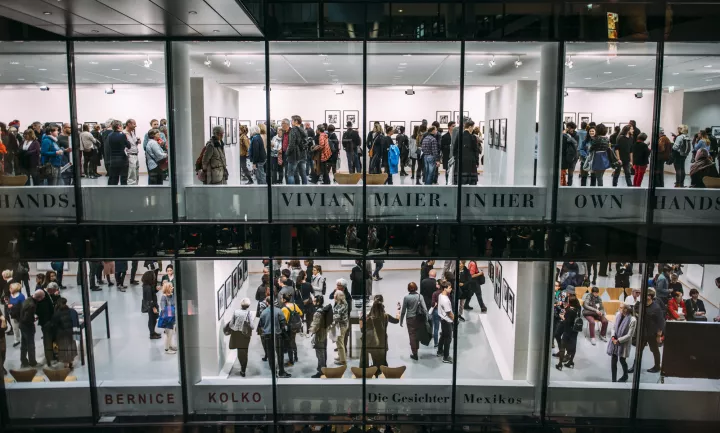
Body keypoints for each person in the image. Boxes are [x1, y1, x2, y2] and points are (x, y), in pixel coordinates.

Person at [361, 294, 400, 377]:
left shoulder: (369, 318)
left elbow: (362, 330)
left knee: (375, 360)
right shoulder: (386, 316)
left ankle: (375, 374)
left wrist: (361, 319)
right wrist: (398, 310)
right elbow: (396, 320)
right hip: (383, 341)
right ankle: (381, 374)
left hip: (372, 342)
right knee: (382, 361)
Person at [630, 289, 664, 374]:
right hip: (642, 332)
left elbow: (661, 322)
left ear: (650, 297)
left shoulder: (656, 308)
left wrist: (659, 336)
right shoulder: (640, 305)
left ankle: (657, 366)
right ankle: (635, 367)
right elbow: (635, 313)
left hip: (652, 333)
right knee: (639, 350)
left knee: (654, 350)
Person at [258, 295, 291, 377]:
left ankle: (274, 373)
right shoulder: (279, 311)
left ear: (267, 302)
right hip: (277, 334)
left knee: (270, 355)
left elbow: (261, 325)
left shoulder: (263, 312)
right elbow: (283, 323)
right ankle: (281, 371)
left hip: (267, 336)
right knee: (280, 354)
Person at [607, 304, 636, 382]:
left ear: (626, 309)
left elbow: (630, 335)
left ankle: (625, 375)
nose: (619, 308)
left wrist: (619, 340)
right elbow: (613, 327)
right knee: (613, 361)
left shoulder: (632, 319)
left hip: (624, 343)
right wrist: (613, 337)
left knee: (622, 360)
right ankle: (613, 379)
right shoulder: (617, 315)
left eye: (621, 307)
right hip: (614, 341)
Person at [226, 298, 254, 377]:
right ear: (248, 306)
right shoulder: (249, 313)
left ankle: (242, 368)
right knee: (245, 352)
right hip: (245, 335)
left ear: (241, 304)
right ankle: (243, 369)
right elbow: (252, 326)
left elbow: (231, 325)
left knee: (239, 351)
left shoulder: (235, 312)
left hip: (236, 334)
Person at [399, 282, 427, 361]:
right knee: (417, 334)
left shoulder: (406, 298)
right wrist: (427, 318)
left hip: (410, 319)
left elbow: (403, 310)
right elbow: (424, 308)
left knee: (412, 335)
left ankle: (414, 353)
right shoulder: (420, 296)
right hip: (418, 318)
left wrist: (401, 320)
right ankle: (416, 349)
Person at [51, 297, 78, 369]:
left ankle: (66, 365)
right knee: (71, 347)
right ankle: (71, 363)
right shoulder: (72, 311)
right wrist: (77, 336)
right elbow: (76, 323)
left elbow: (54, 325)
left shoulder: (57, 314)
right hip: (71, 333)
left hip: (61, 334)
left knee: (63, 349)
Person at [309, 295, 332, 378]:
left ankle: (321, 371)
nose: (313, 302)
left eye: (314, 301)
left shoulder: (317, 313)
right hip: (324, 332)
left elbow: (315, 325)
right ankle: (324, 367)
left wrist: (311, 331)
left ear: (318, 302)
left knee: (319, 353)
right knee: (323, 351)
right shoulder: (323, 309)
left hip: (319, 335)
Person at [555, 296, 580, 370]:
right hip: (575, 331)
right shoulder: (578, 309)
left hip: (568, 331)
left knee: (562, 347)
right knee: (573, 347)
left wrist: (562, 317)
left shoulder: (569, 311)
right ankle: (571, 362)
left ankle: (560, 364)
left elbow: (567, 322)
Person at [282, 292, 303, 367]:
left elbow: (284, 321)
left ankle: (291, 361)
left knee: (289, 344)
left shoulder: (284, 309)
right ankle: (296, 357)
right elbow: (300, 313)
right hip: (296, 326)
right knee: (293, 341)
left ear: (284, 300)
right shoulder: (294, 305)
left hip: (290, 328)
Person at [18, 289, 39, 367]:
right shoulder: (32, 305)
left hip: (22, 325)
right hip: (27, 327)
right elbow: (26, 318)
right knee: (30, 345)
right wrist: (33, 319)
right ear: (39, 298)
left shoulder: (27, 299)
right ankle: (32, 362)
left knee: (23, 344)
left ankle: (23, 360)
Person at [106, 120, 131, 185]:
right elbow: (129, 146)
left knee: (113, 178)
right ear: (119, 126)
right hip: (122, 159)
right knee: (123, 178)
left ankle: (113, 192)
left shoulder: (110, 135)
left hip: (113, 159)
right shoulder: (123, 135)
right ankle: (123, 192)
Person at [436, 280, 454, 364]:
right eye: (450, 288)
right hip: (447, 321)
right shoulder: (445, 300)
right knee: (448, 339)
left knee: (443, 335)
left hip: (442, 319)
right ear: (445, 288)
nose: (451, 289)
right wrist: (455, 319)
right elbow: (449, 313)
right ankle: (446, 357)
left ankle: (439, 351)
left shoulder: (440, 295)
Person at [287, 115, 309, 185]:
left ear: (296, 121)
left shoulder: (293, 130)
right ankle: (305, 190)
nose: (291, 122)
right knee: (303, 174)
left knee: (290, 174)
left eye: (292, 120)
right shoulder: (304, 130)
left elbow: (291, 144)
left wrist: (287, 153)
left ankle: (292, 191)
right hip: (302, 155)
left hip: (294, 155)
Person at [158, 281, 177, 354]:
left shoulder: (172, 295)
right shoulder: (164, 297)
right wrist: (171, 310)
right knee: (168, 334)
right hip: (167, 318)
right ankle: (166, 349)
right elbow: (163, 308)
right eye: (171, 287)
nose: (172, 288)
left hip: (172, 317)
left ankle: (170, 345)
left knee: (171, 333)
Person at [142, 271, 161, 340]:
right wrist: (153, 308)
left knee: (153, 319)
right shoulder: (148, 288)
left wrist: (156, 289)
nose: (154, 277)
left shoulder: (148, 286)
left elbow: (153, 292)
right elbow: (150, 299)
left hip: (152, 305)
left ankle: (153, 332)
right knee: (152, 320)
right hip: (151, 306)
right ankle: (152, 334)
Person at [460, 120, 480, 185]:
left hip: (461, 160)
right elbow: (475, 150)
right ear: (470, 127)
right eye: (473, 127)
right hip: (471, 160)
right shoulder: (473, 137)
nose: (473, 129)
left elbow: (455, 149)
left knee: (462, 180)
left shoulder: (459, 136)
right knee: (472, 181)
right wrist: (477, 161)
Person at [332, 289, 349, 366]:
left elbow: (337, 316)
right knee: (339, 342)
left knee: (340, 342)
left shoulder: (341, 305)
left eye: (335, 295)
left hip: (341, 326)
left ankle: (343, 361)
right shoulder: (341, 302)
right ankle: (340, 356)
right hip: (342, 325)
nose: (334, 296)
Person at [122, 119, 141, 185]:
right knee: (131, 174)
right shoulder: (123, 133)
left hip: (136, 154)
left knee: (136, 173)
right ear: (129, 124)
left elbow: (133, 144)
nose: (135, 126)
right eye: (134, 124)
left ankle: (136, 187)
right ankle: (131, 190)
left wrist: (137, 141)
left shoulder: (132, 133)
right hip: (130, 155)